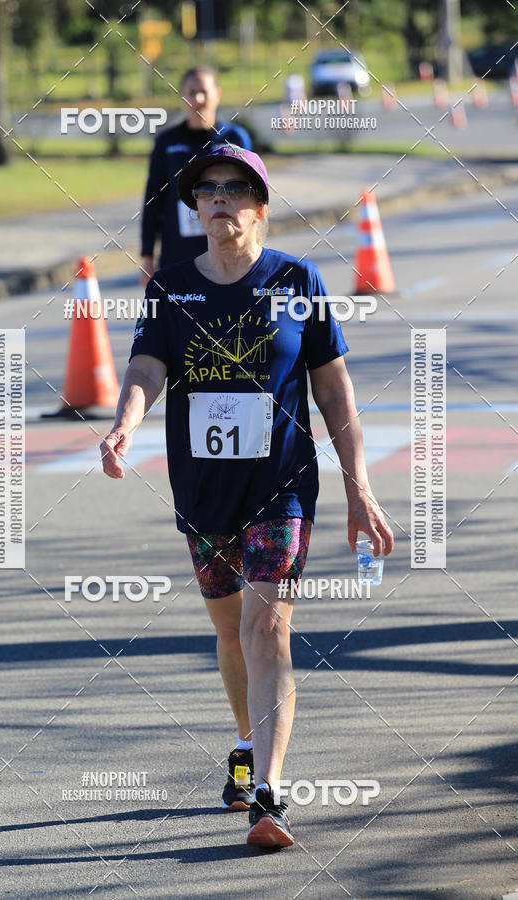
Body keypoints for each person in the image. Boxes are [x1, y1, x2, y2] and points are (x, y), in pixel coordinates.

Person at [101, 145, 394, 848]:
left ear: (259, 205)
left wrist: (360, 487)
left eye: (235, 188)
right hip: (204, 489)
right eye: (208, 190)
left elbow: (333, 389)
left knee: (268, 630)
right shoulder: (171, 287)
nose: (221, 198)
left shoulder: (299, 279)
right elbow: (146, 365)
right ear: (195, 206)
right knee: (231, 634)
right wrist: (123, 422)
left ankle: (269, 794)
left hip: (281, 485)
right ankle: (244, 744)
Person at [139, 66, 252, 287]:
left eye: (204, 92)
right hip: (178, 254)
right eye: (191, 93)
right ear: (183, 96)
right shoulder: (167, 142)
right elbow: (153, 201)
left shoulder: (235, 138)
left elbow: (252, 198)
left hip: (228, 253)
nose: (198, 99)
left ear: (217, 94)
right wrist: (147, 257)